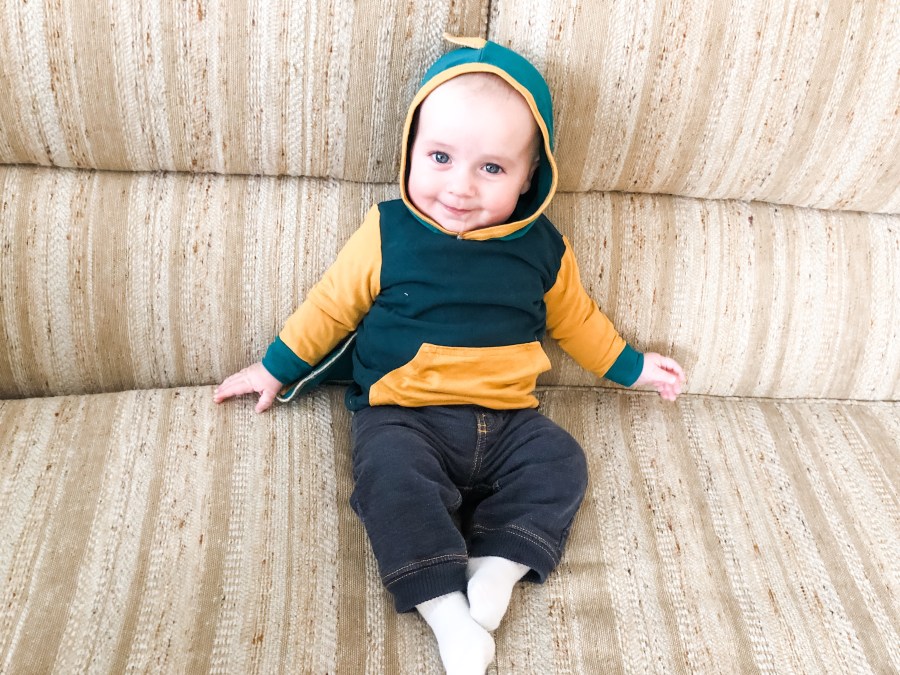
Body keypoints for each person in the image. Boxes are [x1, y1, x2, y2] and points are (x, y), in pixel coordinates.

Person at [215, 35, 685, 675]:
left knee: (563, 462)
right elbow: (329, 308)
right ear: (411, 151)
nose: (460, 188)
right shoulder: (387, 231)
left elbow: (577, 320)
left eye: (492, 169)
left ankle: (498, 565)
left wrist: (632, 367)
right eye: (440, 157)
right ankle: (446, 614)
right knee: (390, 483)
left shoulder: (544, 248)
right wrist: (273, 368)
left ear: (529, 179)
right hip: (403, 416)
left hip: (511, 421)